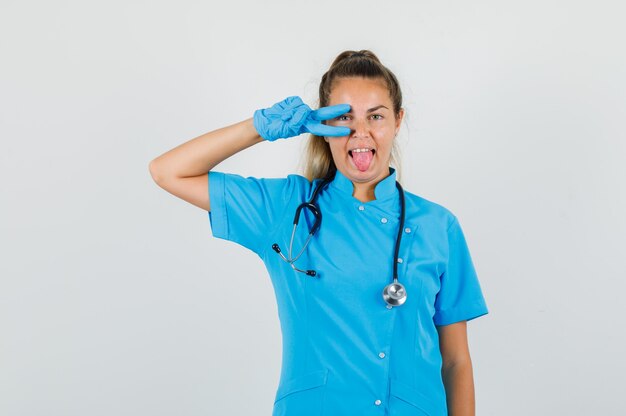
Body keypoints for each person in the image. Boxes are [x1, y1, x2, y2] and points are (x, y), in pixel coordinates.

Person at [149, 50, 489, 416]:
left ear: (397, 121)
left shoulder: (439, 226)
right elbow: (168, 171)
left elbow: (456, 362)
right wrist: (260, 129)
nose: (360, 132)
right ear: (322, 127)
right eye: (344, 116)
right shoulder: (286, 209)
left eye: (376, 116)